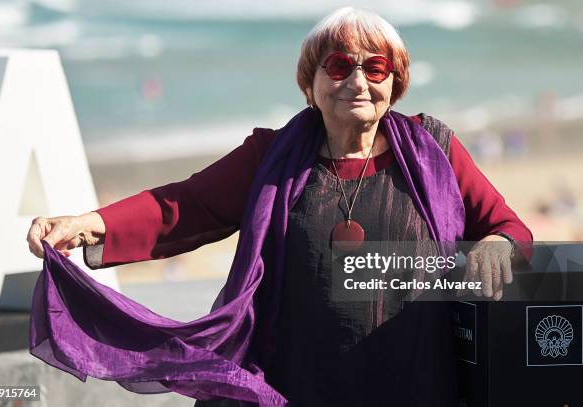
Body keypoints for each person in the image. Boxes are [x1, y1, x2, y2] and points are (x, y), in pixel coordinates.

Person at [26, 7, 532, 407]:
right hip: (297, 386)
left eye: (375, 67)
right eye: (338, 65)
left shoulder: (436, 149)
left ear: (393, 83)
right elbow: (187, 204)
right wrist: (91, 225)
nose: (357, 81)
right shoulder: (271, 156)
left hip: (418, 384)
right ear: (310, 81)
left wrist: (496, 242)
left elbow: (509, 226)